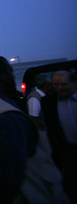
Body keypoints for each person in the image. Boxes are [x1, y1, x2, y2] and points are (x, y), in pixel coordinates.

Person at [0, 56, 68, 204]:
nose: (13, 77)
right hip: (32, 193)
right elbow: (9, 175)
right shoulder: (6, 116)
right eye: (10, 73)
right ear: (2, 76)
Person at [41, 70, 77, 203]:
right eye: (56, 84)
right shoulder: (48, 102)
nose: (59, 88)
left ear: (74, 83)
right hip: (66, 152)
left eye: (63, 84)